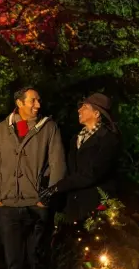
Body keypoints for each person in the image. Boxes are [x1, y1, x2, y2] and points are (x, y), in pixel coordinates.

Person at [0, 88, 66, 269]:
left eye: (39, 100)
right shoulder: (1, 129)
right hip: (8, 206)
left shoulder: (48, 128)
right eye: (33, 100)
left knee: (37, 261)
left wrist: (46, 198)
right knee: (13, 264)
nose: (38, 105)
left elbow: (58, 164)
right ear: (19, 102)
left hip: (36, 206)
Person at [39, 92, 120, 222]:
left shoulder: (108, 139)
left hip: (97, 204)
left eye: (85, 107)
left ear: (97, 114)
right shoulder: (75, 139)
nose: (79, 110)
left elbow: (92, 173)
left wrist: (58, 187)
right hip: (75, 206)